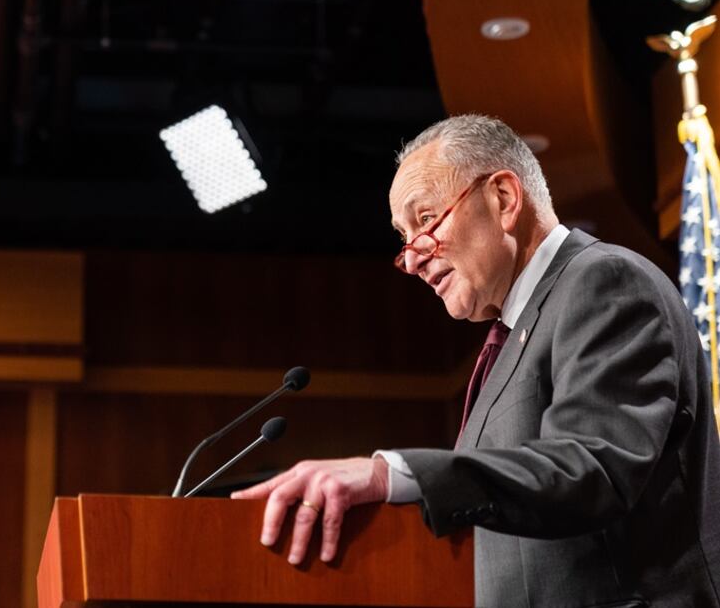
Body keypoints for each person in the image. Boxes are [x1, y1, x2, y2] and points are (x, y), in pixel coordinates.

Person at [232, 114, 720, 606]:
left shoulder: (604, 282)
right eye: (404, 238)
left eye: (426, 220)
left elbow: (590, 468)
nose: (413, 258)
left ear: (503, 198)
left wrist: (390, 474)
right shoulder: (511, 336)